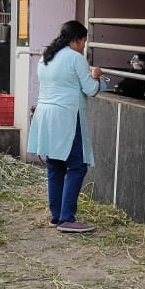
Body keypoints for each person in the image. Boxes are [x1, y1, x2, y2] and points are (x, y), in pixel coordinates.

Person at [26, 21, 106, 233]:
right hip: (67, 116)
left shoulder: (46, 56)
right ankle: (67, 217)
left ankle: (56, 215)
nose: (83, 46)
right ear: (77, 40)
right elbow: (90, 89)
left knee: (55, 166)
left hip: (46, 116)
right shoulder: (75, 58)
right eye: (83, 42)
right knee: (77, 165)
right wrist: (97, 77)